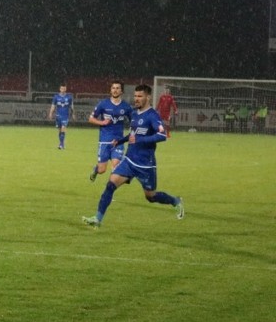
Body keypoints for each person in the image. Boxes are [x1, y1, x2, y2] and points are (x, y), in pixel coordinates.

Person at [82, 84, 183, 228]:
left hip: (145, 164)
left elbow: (162, 135)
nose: (136, 99)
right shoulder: (134, 113)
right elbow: (133, 134)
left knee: (151, 197)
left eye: (140, 96)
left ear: (148, 97)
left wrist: (141, 140)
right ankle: (97, 219)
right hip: (129, 160)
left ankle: (175, 201)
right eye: (135, 96)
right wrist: (120, 141)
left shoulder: (152, 115)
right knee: (110, 185)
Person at [87, 80, 133, 182]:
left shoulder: (126, 106)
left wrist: (133, 130)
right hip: (104, 141)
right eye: (113, 88)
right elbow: (90, 119)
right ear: (110, 90)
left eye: (117, 88)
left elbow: (133, 121)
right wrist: (102, 122)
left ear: (121, 91)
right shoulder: (103, 104)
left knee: (115, 166)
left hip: (118, 141)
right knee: (102, 170)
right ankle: (96, 170)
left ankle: (109, 189)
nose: (115, 90)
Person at [48, 83, 73, 150]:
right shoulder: (56, 97)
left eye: (64, 88)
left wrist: (73, 113)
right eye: (62, 88)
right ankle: (61, 143)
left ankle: (61, 145)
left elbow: (71, 106)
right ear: (60, 89)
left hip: (65, 116)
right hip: (58, 116)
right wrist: (50, 113)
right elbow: (53, 106)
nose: (63, 90)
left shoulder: (69, 97)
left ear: (66, 89)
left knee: (63, 128)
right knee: (59, 131)